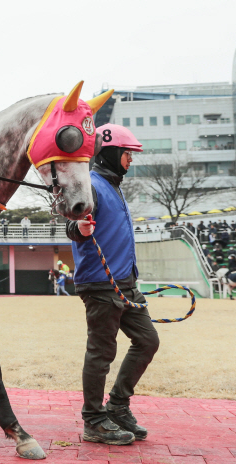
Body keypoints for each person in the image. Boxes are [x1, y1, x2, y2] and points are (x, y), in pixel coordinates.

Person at [66, 124, 157, 445]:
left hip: (125, 283)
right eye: (127, 154)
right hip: (100, 284)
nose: (131, 160)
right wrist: (79, 229)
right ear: (111, 153)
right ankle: (93, 420)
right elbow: (72, 223)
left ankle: (117, 406)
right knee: (101, 352)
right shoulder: (90, 185)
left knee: (148, 341)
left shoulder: (113, 186)